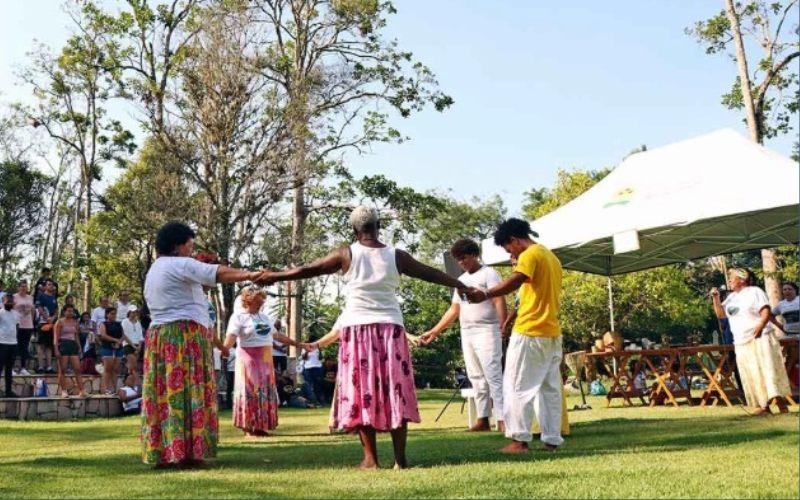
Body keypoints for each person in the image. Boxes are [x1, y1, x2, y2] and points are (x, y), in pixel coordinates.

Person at [259, 205, 468, 469]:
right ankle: (400, 460)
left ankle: (370, 459)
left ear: (355, 229)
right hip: (391, 329)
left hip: (357, 330)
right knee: (396, 390)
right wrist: (460, 284)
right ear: (378, 226)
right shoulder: (396, 256)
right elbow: (430, 272)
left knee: (362, 390)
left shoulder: (346, 254)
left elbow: (307, 270)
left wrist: (273, 276)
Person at [141, 221, 262, 467]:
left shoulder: (156, 268)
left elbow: (204, 281)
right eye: (189, 245)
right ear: (178, 246)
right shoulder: (179, 263)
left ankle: (166, 452)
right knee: (188, 389)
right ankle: (188, 454)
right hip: (183, 334)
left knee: (165, 392)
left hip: (159, 337)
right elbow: (218, 273)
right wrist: (250, 275)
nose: (191, 251)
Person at [464, 218, 564, 453]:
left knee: (517, 386)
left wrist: (484, 294)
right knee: (549, 389)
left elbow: (515, 280)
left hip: (530, 331)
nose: (512, 255)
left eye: (509, 249)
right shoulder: (551, 257)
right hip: (551, 332)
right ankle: (551, 440)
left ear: (514, 240)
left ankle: (519, 440)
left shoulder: (529, 255)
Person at [419, 238, 507, 432]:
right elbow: (454, 309)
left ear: (475, 255)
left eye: (464, 258)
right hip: (467, 331)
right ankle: (483, 418)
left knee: (493, 374)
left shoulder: (489, 273)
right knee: (476, 376)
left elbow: (499, 300)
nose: (461, 263)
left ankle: (503, 419)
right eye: (458, 260)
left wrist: (503, 326)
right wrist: (434, 331)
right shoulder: (462, 280)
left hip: (488, 329)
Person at [222, 286, 307, 437]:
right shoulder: (238, 317)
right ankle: (249, 427)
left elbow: (278, 336)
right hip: (248, 361)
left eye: (262, 299)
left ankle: (261, 426)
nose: (261, 302)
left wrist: (298, 344)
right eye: (258, 299)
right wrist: (224, 349)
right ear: (248, 300)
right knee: (250, 392)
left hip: (266, 362)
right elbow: (231, 337)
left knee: (264, 393)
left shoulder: (265, 318)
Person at [711, 268, 792, 414]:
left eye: (732, 277)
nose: (729, 280)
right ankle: (763, 406)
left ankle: (781, 405)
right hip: (741, 341)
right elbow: (721, 315)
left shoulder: (755, 291)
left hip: (760, 337)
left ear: (742, 280)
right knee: (751, 373)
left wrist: (760, 327)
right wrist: (716, 299)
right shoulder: (731, 297)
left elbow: (765, 311)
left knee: (767, 370)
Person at [54, 304, 87, 398]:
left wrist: (79, 347)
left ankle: (82, 390)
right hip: (63, 344)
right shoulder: (59, 322)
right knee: (63, 369)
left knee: (77, 369)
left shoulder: (75, 322)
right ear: (64, 312)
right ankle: (64, 391)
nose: (70, 313)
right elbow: (56, 337)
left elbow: (76, 335)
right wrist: (56, 350)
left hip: (72, 345)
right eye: (68, 311)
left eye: (72, 311)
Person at [98, 307, 131, 395]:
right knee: (107, 369)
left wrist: (119, 342)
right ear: (107, 314)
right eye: (112, 313)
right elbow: (103, 335)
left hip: (118, 348)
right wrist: (115, 340)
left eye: (115, 313)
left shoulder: (118, 324)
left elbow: (123, 335)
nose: (114, 315)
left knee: (115, 369)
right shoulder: (103, 324)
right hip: (107, 348)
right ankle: (105, 389)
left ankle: (114, 389)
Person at [35, 280, 58, 374]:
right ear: (45, 286)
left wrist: (53, 318)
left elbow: (56, 310)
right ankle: (40, 366)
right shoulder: (41, 295)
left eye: (52, 285)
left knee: (49, 346)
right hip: (42, 323)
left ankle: (49, 367)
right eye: (49, 284)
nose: (51, 286)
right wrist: (47, 317)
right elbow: (39, 308)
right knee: (41, 345)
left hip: (52, 324)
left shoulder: (53, 297)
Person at [13, 281, 35, 376]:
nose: (24, 288)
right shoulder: (14, 297)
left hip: (28, 325)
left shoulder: (30, 297)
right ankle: (12, 368)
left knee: (25, 347)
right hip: (17, 324)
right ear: (18, 287)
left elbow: (33, 310)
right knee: (14, 346)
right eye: (22, 286)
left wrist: (32, 322)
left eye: (25, 287)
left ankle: (23, 368)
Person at [0, 295, 20, 397]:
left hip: (13, 344)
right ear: (3, 301)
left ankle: (8, 391)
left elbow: (16, 326)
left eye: (11, 301)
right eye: (8, 301)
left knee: (9, 369)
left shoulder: (16, 314)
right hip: (2, 343)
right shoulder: (0, 313)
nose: (10, 303)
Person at [122, 307, 145, 386]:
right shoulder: (124, 321)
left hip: (137, 345)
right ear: (129, 312)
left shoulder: (138, 322)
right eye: (132, 312)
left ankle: (127, 384)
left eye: (135, 312)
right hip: (128, 345)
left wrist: (139, 346)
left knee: (130, 368)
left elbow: (140, 336)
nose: (134, 313)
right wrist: (132, 345)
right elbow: (123, 334)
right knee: (133, 366)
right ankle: (138, 385)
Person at [301, 338, 325, 406]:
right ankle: (312, 401)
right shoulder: (305, 348)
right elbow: (303, 358)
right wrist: (307, 351)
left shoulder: (317, 348)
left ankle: (321, 402)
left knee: (318, 385)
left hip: (317, 368)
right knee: (309, 385)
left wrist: (320, 350)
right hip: (308, 368)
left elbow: (320, 358)